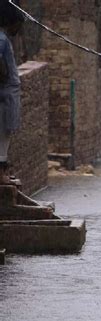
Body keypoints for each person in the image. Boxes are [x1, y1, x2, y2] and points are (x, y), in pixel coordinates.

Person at [0, 1, 24, 184]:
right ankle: (1, 175)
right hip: (6, 95)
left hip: (7, 93)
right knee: (3, 135)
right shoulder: (2, 39)